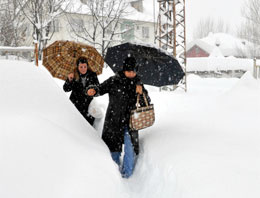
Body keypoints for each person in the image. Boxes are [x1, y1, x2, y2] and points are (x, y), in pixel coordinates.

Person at [87, 57, 151, 178]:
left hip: (131, 122)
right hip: (114, 120)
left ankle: (127, 175)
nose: (131, 73)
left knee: (130, 150)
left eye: (133, 71)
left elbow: (146, 102)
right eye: (129, 71)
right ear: (124, 69)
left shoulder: (138, 83)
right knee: (113, 150)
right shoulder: (114, 80)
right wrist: (93, 90)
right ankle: (113, 177)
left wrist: (142, 93)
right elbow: (101, 88)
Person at [63, 57, 100, 126]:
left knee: (88, 126)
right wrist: (69, 80)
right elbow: (66, 89)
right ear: (77, 67)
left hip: (88, 104)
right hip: (75, 104)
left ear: (87, 66)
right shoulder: (73, 75)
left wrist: (93, 90)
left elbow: (98, 88)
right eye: (81, 67)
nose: (83, 69)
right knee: (75, 125)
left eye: (85, 66)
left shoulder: (92, 75)